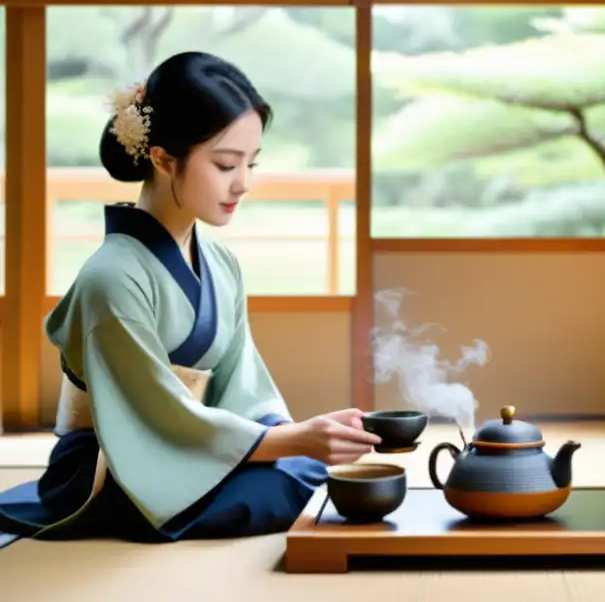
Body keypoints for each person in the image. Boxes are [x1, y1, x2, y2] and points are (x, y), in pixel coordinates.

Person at [0, 51, 381, 544]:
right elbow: (155, 420)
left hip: (195, 452)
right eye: (226, 164)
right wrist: (294, 441)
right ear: (162, 158)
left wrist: (298, 437)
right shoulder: (110, 279)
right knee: (286, 479)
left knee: (302, 470)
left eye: (251, 163)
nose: (243, 183)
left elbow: (244, 388)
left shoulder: (220, 264)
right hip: (117, 467)